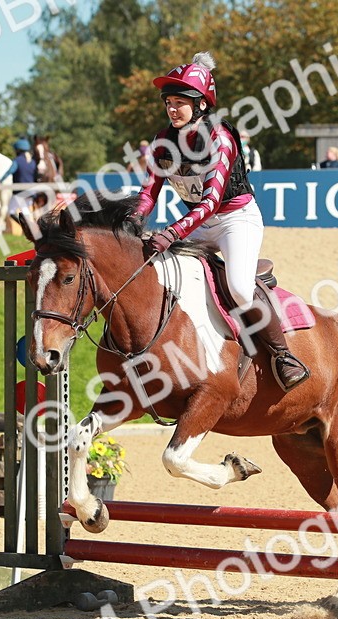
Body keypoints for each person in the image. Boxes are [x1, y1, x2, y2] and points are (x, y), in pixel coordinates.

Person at [136, 51, 309, 391]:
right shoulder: (161, 142)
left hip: (235, 220)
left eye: (180, 102)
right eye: (168, 102)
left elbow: (213, 201)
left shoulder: (220, 138)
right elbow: (148, 193)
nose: (172, 109)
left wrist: (171, 232)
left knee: (241, 288)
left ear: (201, 104)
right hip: (197, 222)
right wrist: (133, 221)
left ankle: (283, 355)